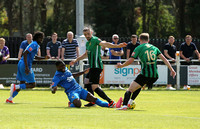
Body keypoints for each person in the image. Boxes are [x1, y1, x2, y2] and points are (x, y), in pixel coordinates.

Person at [115, 33, 176, 110]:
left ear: (140, 40)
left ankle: (124, 106)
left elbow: (131, 60)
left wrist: (121, 65)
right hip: (154, 76)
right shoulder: (154, 48)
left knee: (130, 90)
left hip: (145, 74)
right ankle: (130, 103)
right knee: (138, 86)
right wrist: (172, 70)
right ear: (148, 40)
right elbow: (164, 59)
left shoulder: (139, 48)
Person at [70, 27, 127, 107]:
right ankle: (92, 101)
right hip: (93, 66)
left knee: (94, 86)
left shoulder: (95, 40)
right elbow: (86, 54)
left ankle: (110, 102)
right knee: (87, 82)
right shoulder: (88, 43)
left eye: (88, 34)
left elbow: (105, 44)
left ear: (91, 33)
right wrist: (76, 60)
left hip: (97, 66)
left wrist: (117, 46)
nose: (87, 36)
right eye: (85, 34)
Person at [50, 60, 118, 108]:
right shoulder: (57, 77)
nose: (64, 68)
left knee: (94, 100)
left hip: (79, 89)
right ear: (57, 67)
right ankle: (71, 103)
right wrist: (54, 89)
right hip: (71, 92)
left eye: (64, 66)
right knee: (78, 104)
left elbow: (72, 75)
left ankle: (110, 105)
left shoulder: (66, 69)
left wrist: (83, 72)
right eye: (62, 67)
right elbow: (53, 90)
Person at [6, 31, 49, 103]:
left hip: (21, 63)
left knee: (22, 83)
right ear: (37, 38)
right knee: (32, 84)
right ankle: (15, 86)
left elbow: (35, 57)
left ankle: (9, 99)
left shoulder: (36, 45)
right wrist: (26, 67)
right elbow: (25, 53)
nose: (42, 40)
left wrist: (44, 58)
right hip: (25, 64)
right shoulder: (34, 44)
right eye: (41, 38)